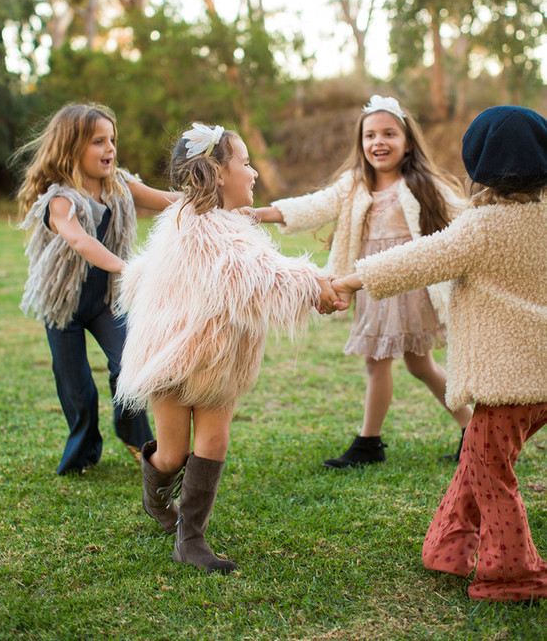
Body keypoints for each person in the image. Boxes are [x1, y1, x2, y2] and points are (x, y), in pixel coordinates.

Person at [331, 105, 547, 602]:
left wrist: (346, 280)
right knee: (476, 456)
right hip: (538, 383)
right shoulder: (540, 222)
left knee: (492, 471)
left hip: (507, 383)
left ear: (478, 165)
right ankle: (448, 548)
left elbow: (415, 260)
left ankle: (515, 574)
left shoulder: (481, 227)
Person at [115, 123, 338, 575]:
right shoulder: (204, 228)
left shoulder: (228, 226)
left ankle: (191, 537)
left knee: (214, 438)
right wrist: (316, 284)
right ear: (218, 173)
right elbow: (263, 274)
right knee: (173, 452)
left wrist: (314, 286)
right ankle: (155, 493)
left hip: (216, 359)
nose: (254, 173)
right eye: (246, 163)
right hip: (172, 352)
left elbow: (258, 268)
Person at [255, 95, 472, 468]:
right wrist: (258, 213)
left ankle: (377, 442)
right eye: (370, 135)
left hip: (408, 285)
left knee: (406, 364)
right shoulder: (354, 185)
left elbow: (466, 218)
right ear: (361, 144)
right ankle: (464, 428)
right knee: (399, 364)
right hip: (370, 284)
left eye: (389, 133)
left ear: (407, 141)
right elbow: (313, 205)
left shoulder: (424, 183)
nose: (378, 142)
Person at [14, 103, 180, 475]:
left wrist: (203, 201)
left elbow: (159, 198)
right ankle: (82, 454)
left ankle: (136, 437)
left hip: (106, 301)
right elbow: (80, 241)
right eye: (97, 141)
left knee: (131, 366)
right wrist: (128, 268)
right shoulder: (60, 199)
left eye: (112, 140)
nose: (109, 148)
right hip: (64, 306)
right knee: (78, 390)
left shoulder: (119, 184)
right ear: (72, 147)